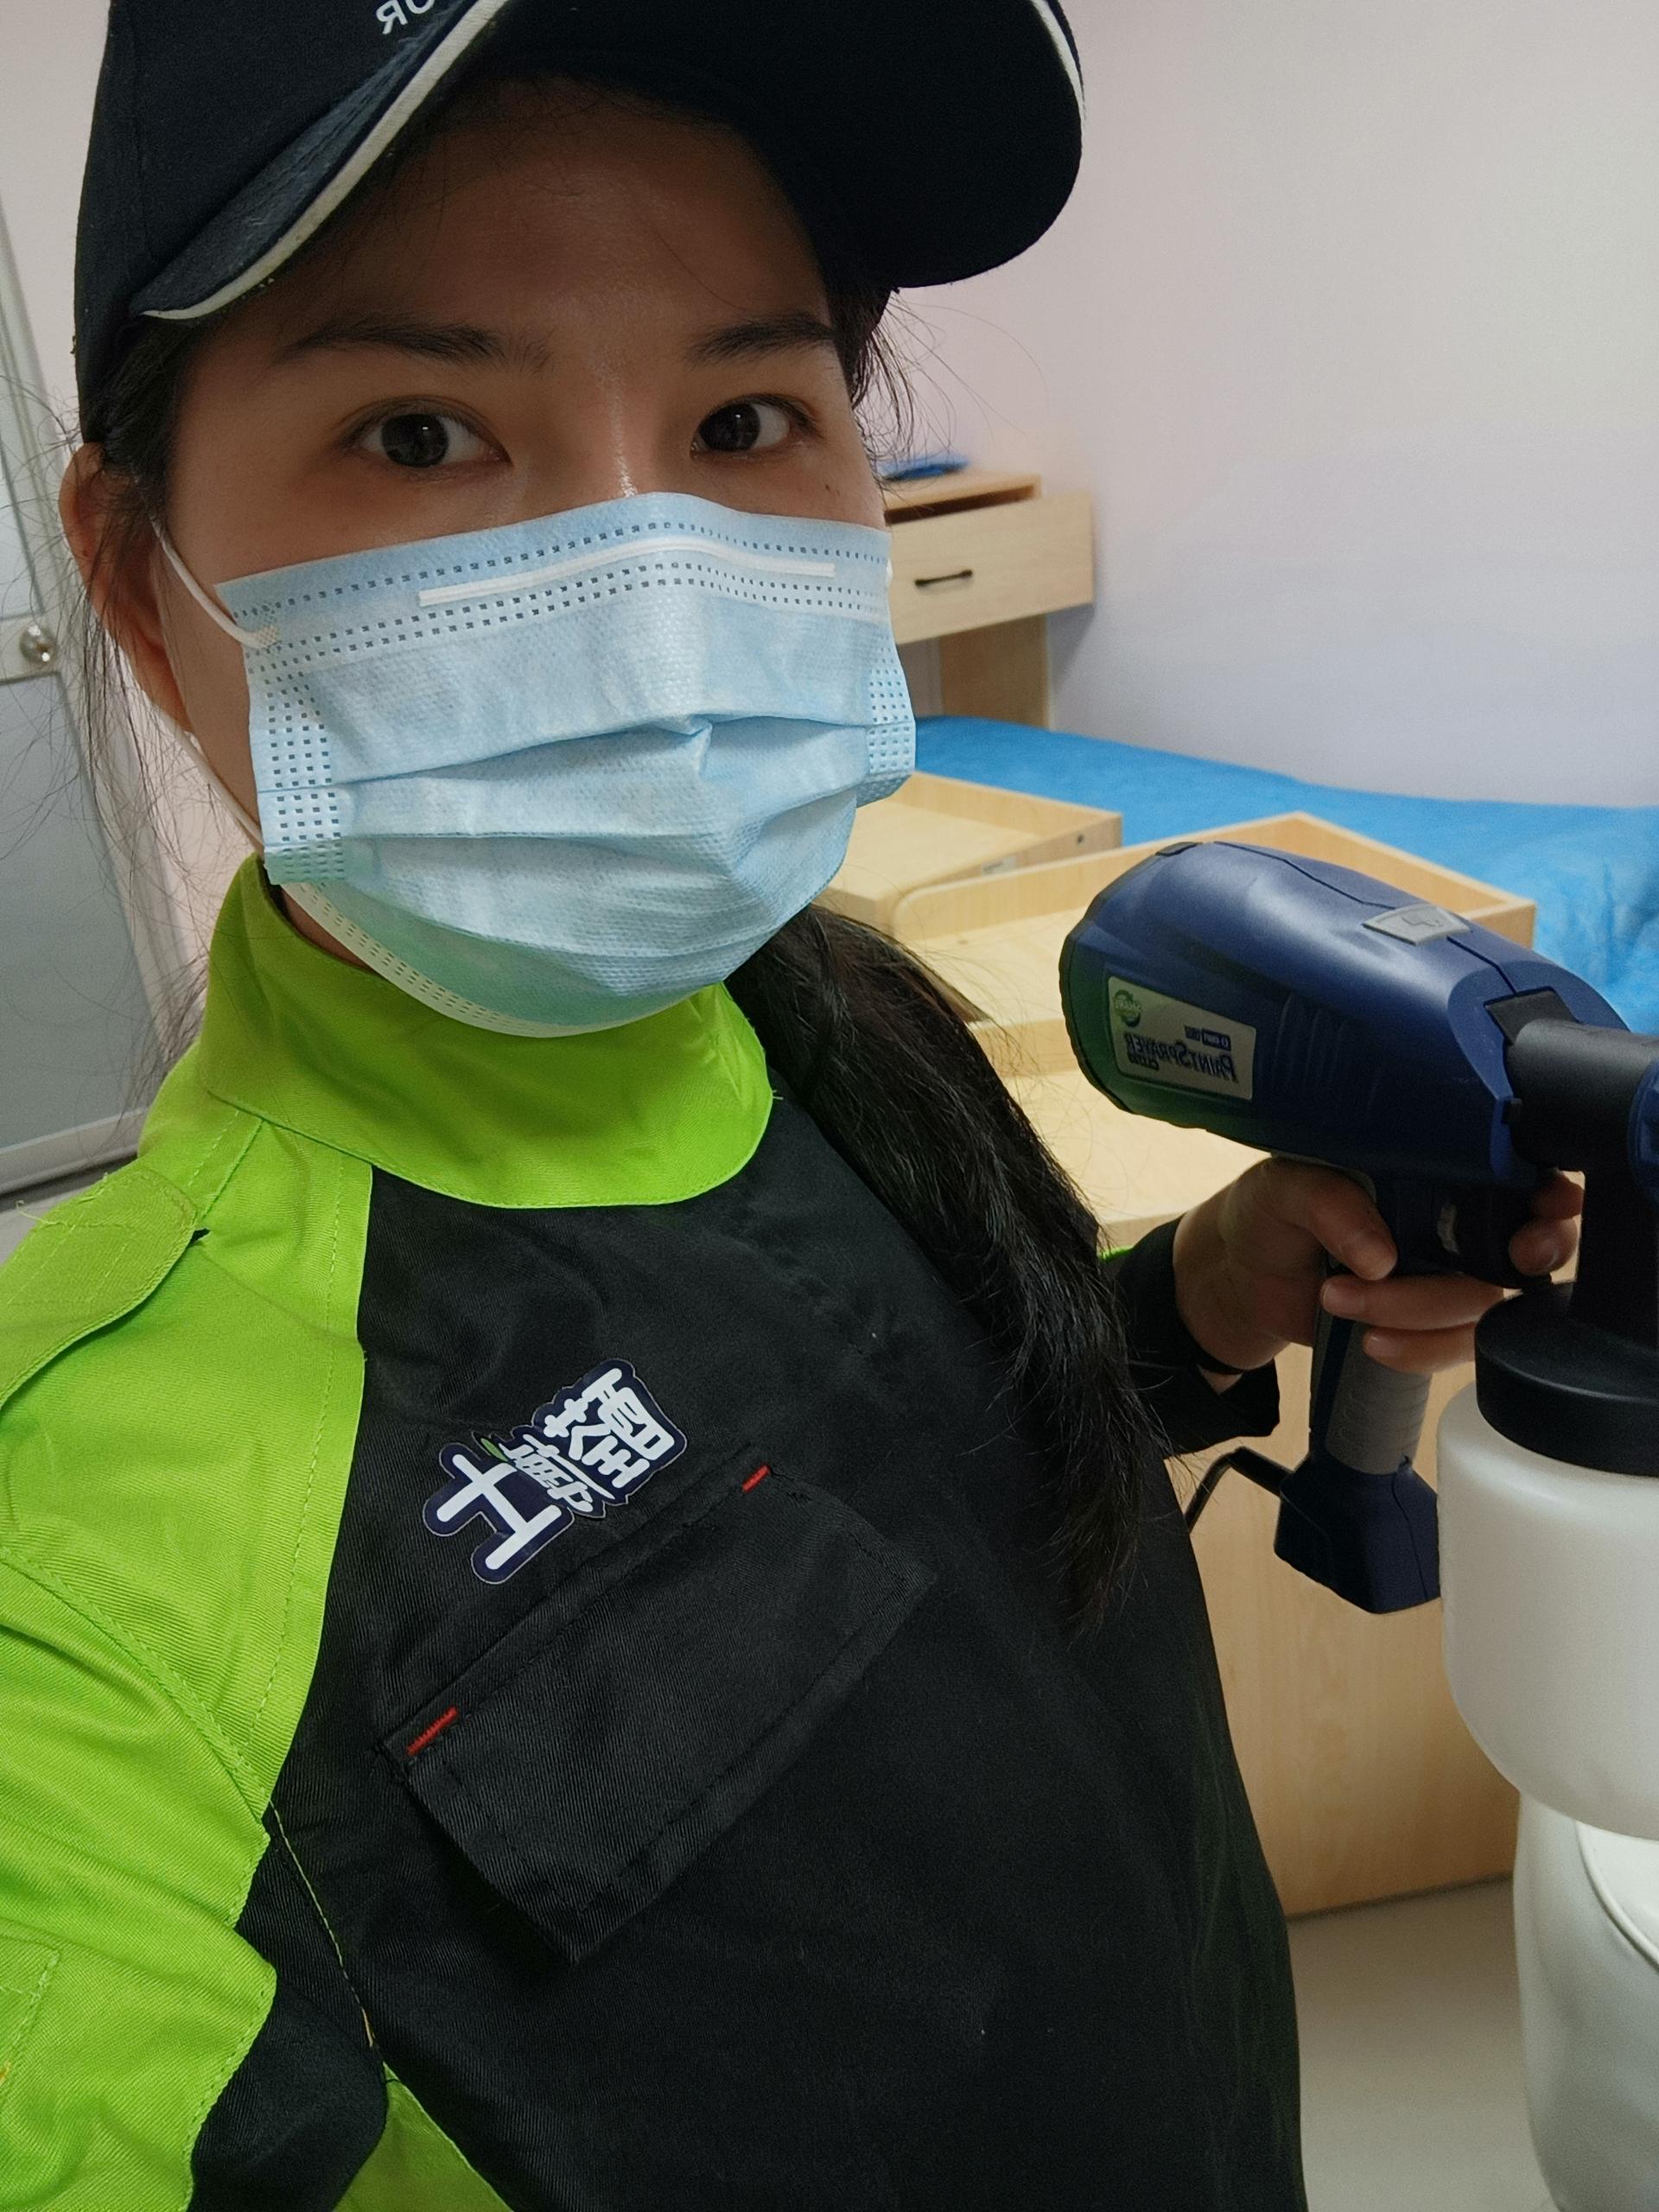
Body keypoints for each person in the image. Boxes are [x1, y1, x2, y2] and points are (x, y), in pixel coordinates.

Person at [0, 3, 1580, 2206]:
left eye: (746, 415)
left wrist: (1199, 1300)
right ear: (133, 579)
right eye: (421, 431)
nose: (648, 599)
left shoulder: (825, 1014)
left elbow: (891, 1478)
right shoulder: (80, 1550)